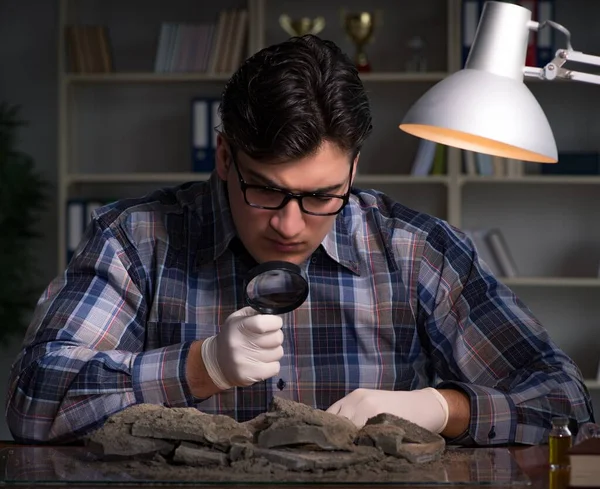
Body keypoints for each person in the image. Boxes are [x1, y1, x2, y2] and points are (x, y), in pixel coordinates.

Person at [6, 35, 594, 445]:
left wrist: (442, 409)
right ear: (225, 156)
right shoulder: (137, 239)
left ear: (354, 170)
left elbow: (567, 404)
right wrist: (198, 366)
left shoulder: (417, 251)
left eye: (320, 196)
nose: (290, 225)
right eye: (265, 190)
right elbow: (33, 405)